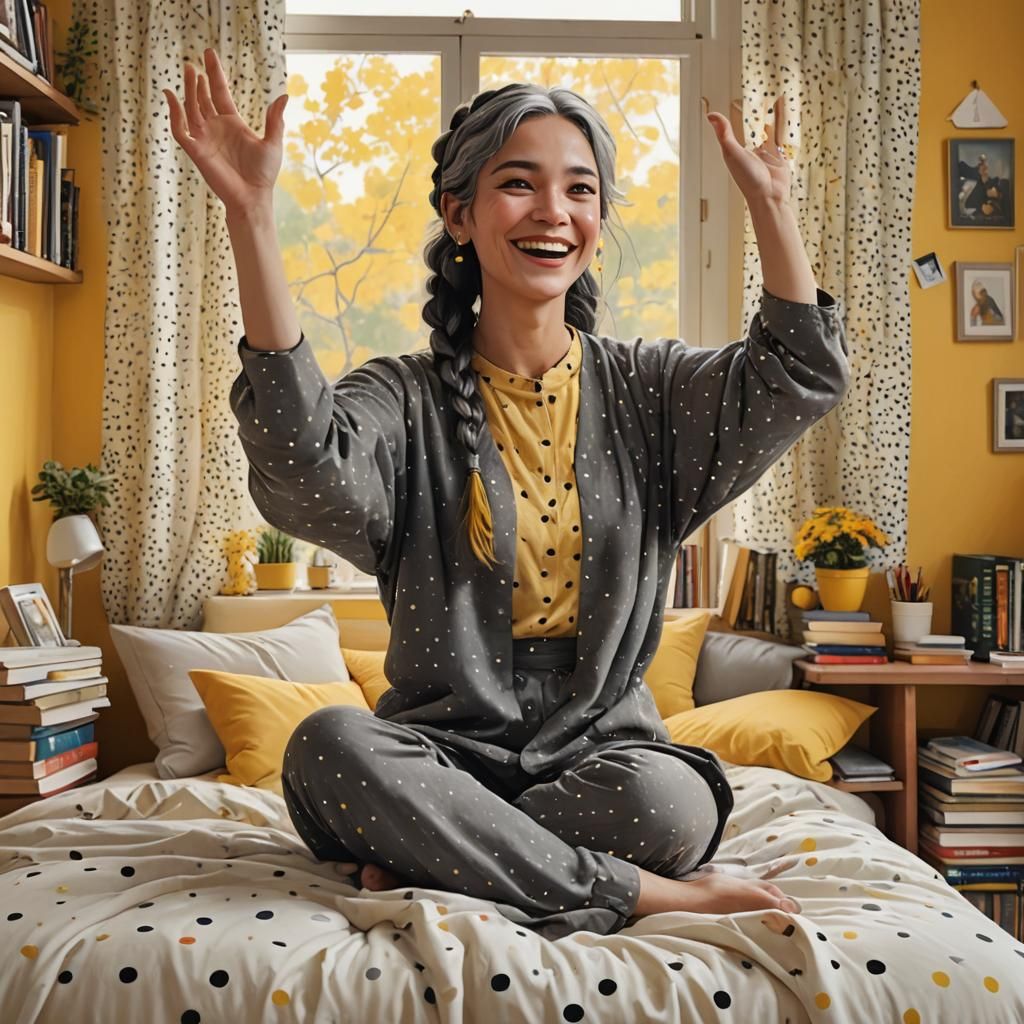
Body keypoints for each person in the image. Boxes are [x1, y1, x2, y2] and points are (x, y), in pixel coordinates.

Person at [164, 50, 849, 940]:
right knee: (327, 746)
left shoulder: (650, 392)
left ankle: (440, 857)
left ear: (598, 218)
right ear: (460, 214)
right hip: (435, 756)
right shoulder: (403, 398)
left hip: (604, 761)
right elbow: (303, 466)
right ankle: (640, 895)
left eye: (580, 190)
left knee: (672, 802)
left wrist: (772, 207)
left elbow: (797, 373)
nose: (553, 212)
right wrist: (251, 216)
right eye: (518, 185)